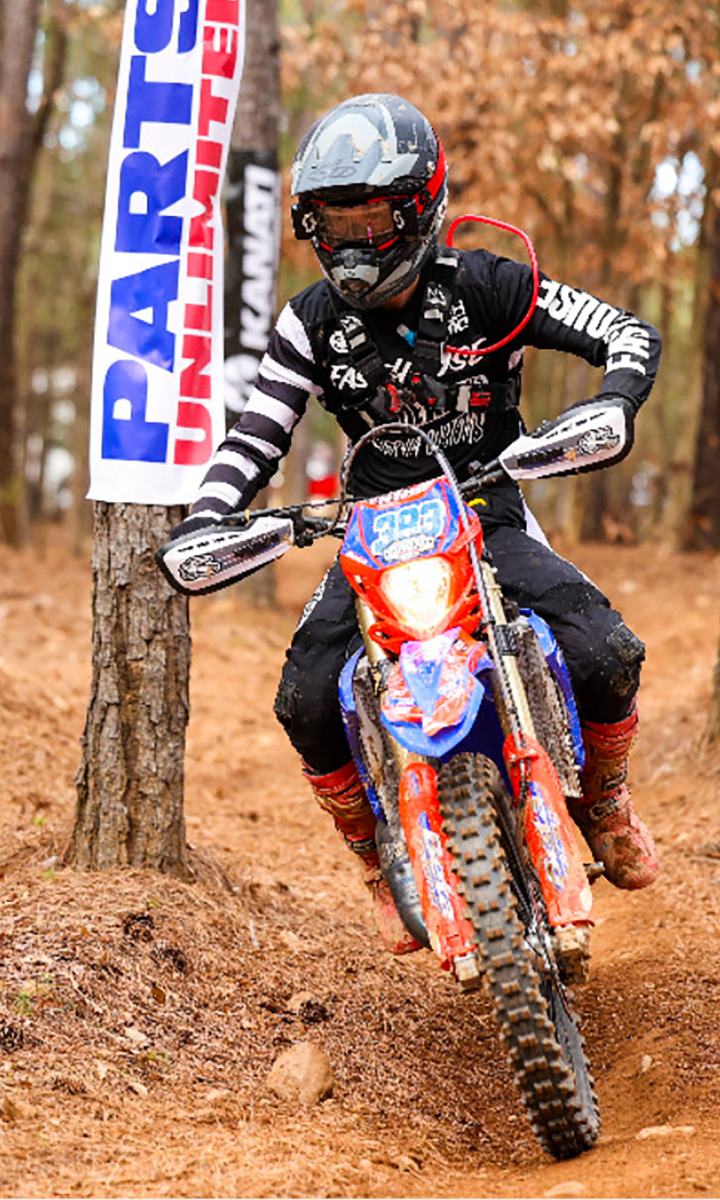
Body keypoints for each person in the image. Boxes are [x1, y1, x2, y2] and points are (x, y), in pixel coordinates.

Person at [172, 93, 661, 954]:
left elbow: (625, 332)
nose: (353, 240)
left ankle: (607, 804)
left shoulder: (490, 284)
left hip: (487, 507)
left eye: (371, 217)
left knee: (605, 650)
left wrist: (614, 403)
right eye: (334, 220)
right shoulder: (309, 321)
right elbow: (257, 431)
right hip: (373, 532)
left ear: (419, 206)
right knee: (305, 701)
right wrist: (206, 517)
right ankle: (376, 865)